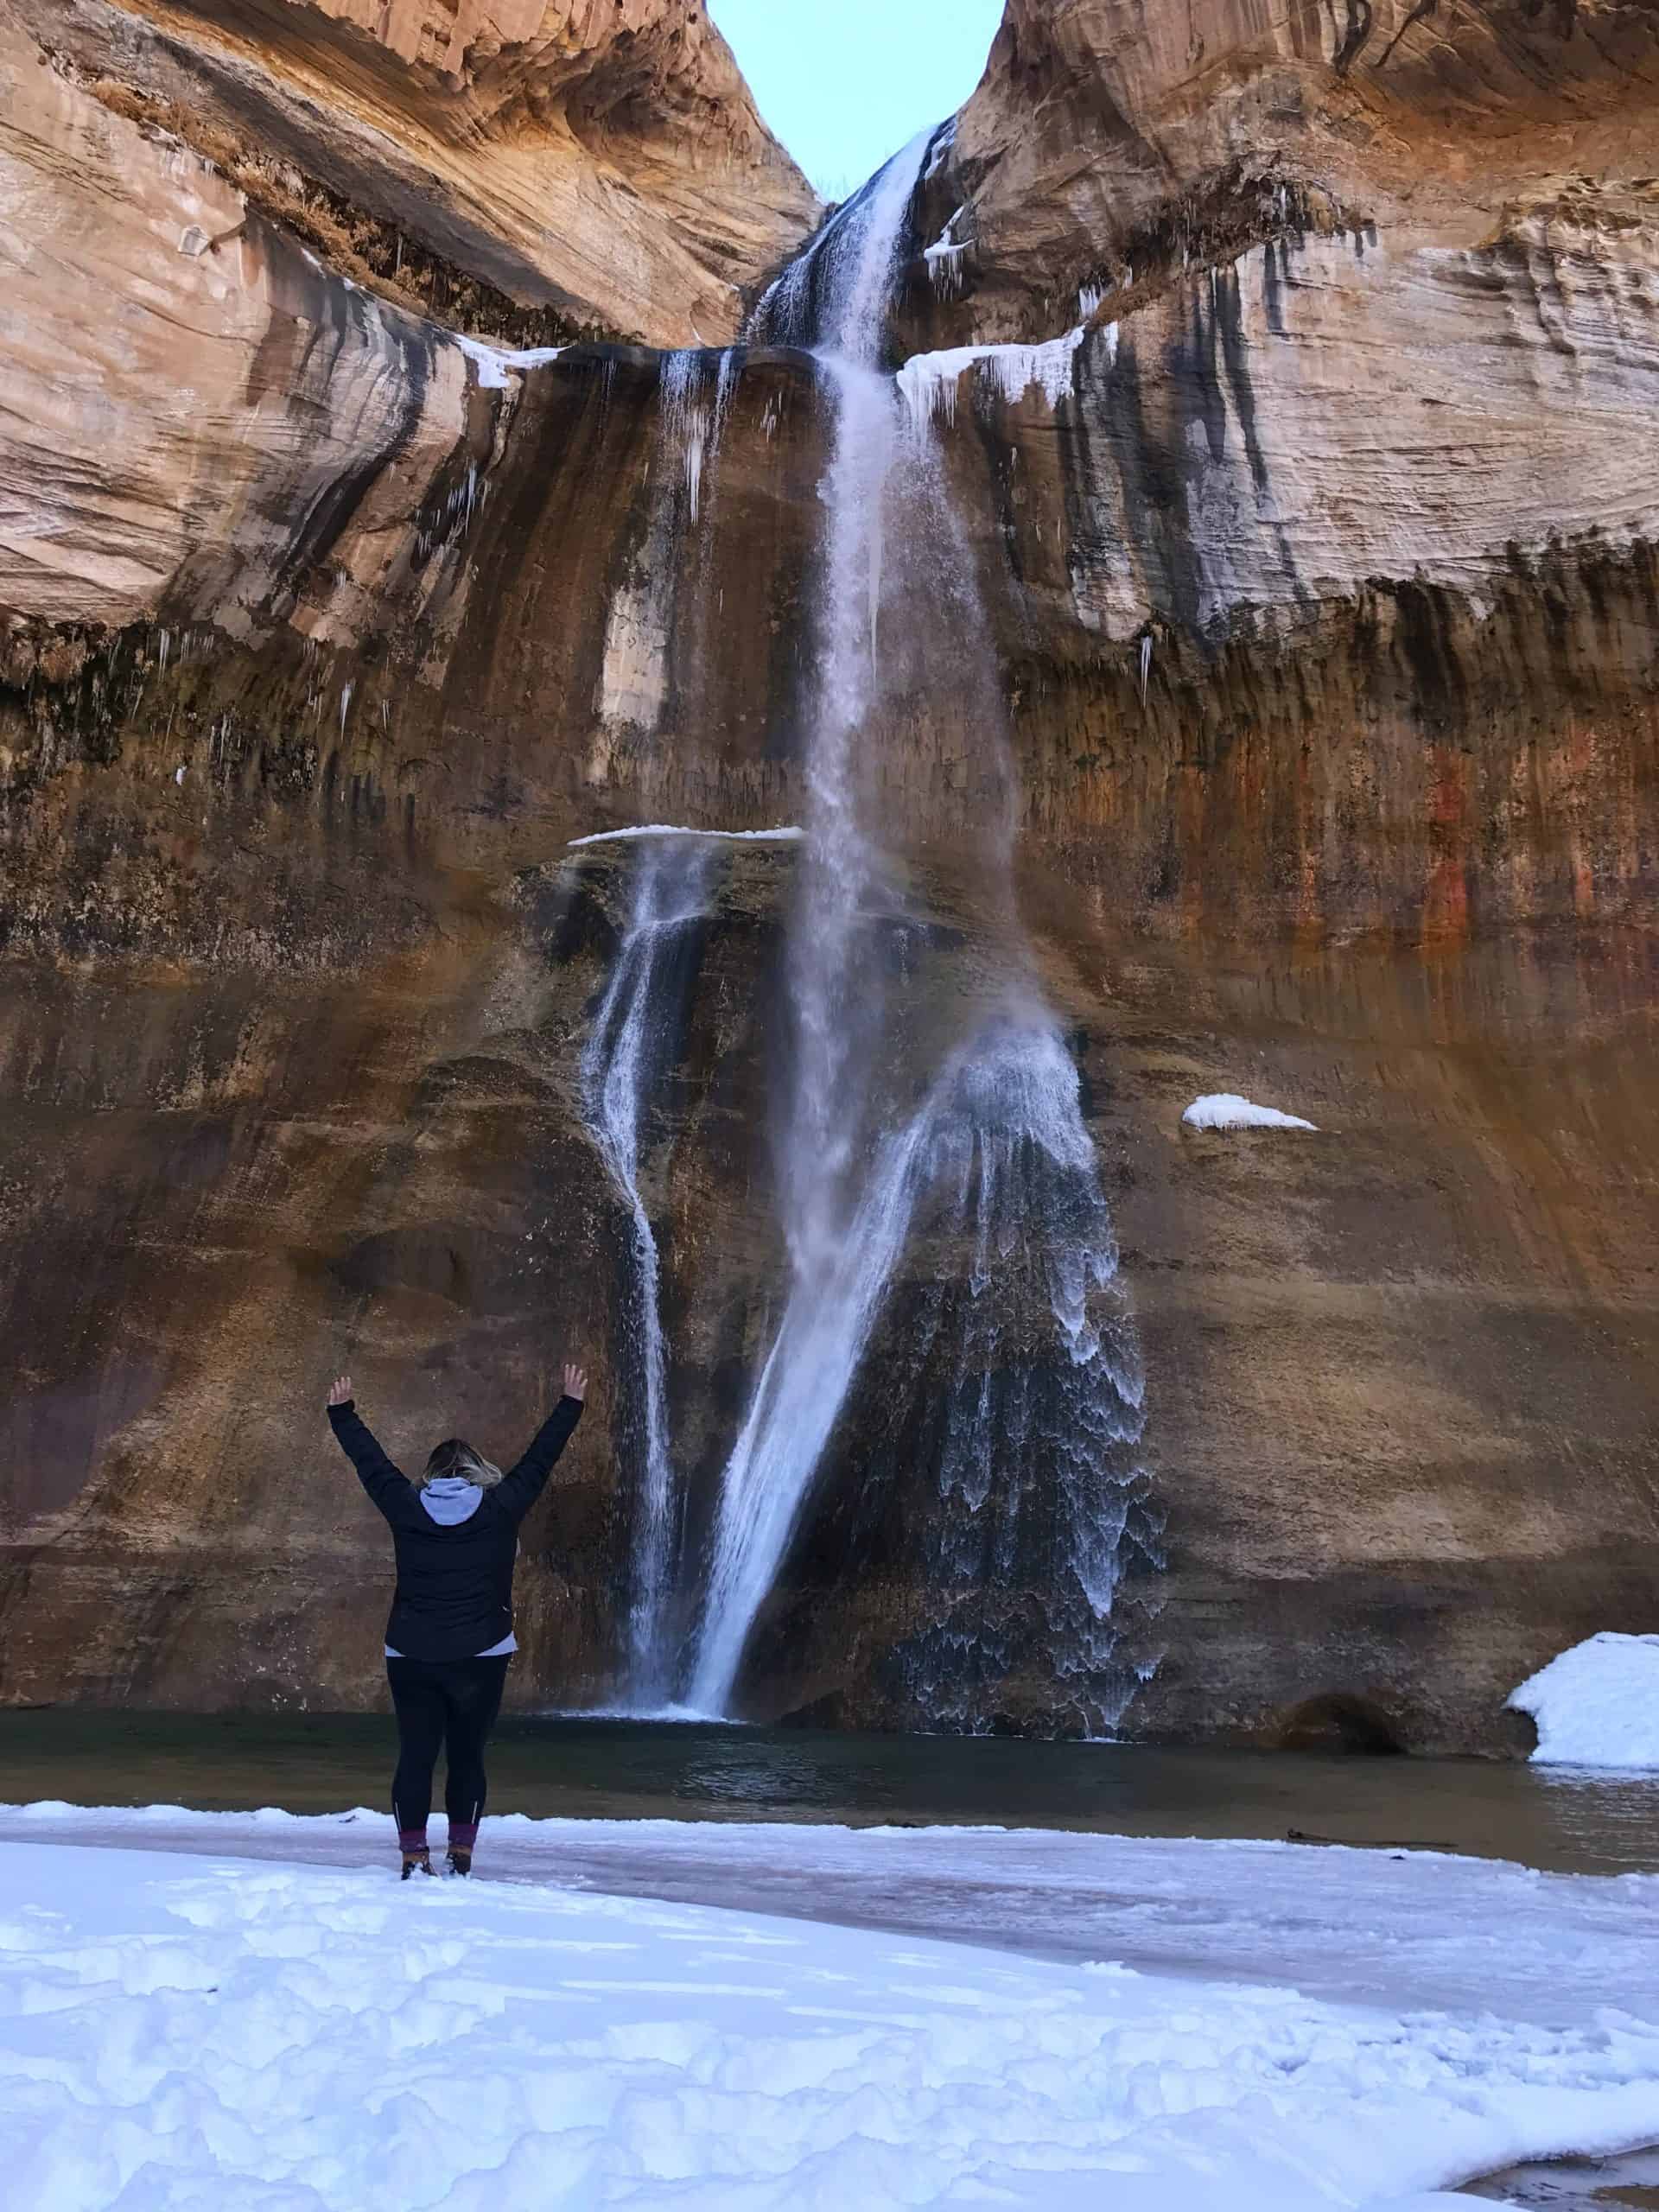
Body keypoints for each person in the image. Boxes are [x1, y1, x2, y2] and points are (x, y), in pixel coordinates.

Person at [325, 1363, 588, 1880]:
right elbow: (540, 1460)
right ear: (475, 1472)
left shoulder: (406, 1506)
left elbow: (370, 1464)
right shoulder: (501, 1508)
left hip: (411, 1654)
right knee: (467, 1756)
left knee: (416, 1755)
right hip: (483, 1654)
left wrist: (343, 1414)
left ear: (431, 1474)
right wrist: (569, 1403)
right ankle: (461, 1855)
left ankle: (413, 1857)